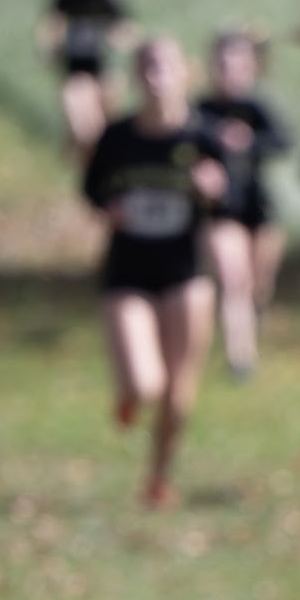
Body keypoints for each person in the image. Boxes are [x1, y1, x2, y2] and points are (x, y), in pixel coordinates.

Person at [82, 35, 227, 506]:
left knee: (177, 391)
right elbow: (91, 187)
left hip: (187, 271)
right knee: (146, 382)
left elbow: (239, 201)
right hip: (127, 270)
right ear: (135, 76)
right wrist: (107, 207)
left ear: (185, 73)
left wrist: (216, 190)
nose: (155, 76)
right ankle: (128, 394)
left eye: (164, 66)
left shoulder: (204, 137)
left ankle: (158, 477)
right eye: (145, 66)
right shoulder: (118, 136)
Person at [197, 28, 293, 377]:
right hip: (218, 210)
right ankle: (240, 359)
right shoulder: (199, 110)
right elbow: (181, 145)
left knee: (258, 285)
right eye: (222, 63)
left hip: (258, 207)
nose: (229, 71)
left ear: (251, 68)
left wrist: (249, 142)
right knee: (232, 276)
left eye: (237, 64)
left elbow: (283, 142)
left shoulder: (257, 107)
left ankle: (251, 328)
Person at [37, 0, 136, 162]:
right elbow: (51, 25)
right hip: (75, 71)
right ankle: (81, 162)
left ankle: (91, 165)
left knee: (104, 131)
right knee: (81, 127)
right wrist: (49, 47)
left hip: (105, 72)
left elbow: (129, 30)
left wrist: (117, 38)